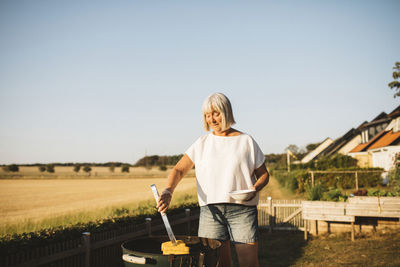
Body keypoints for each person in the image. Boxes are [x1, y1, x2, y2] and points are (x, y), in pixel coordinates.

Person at [157, 93, 269, 267]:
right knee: (216, 264)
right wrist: (168, 190)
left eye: (215, 113)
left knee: (249, 264)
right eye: (207, 115)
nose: (211, 119)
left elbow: (264, 174)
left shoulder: (246, 141)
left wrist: (255, 188)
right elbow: (179, 169)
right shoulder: (202, 143)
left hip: (243, 211)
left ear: (226, 112)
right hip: (211, 212)